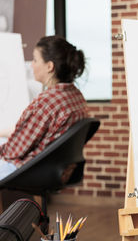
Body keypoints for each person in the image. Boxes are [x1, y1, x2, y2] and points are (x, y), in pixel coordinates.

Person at [0, 35, 88, 180]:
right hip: (58, 167)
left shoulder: (46, 102)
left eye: (35, 60)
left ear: (49, 66)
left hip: (32, 168)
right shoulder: (76, 95)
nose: (31, 65)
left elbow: (12, 152)